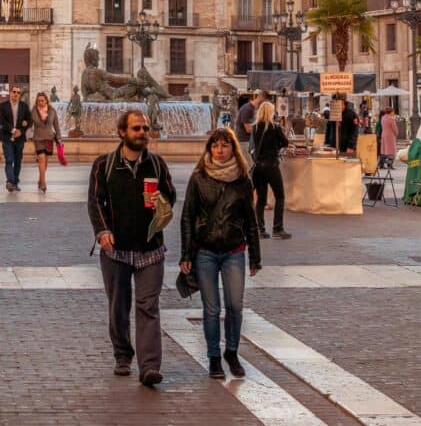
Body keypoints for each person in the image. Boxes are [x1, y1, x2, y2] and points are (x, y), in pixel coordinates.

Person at [87, 110, 176, 387]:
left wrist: (160, 198)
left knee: (148, 306)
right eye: (136, 128)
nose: (142, 133)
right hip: (116, 250)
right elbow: (94, 202)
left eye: (145, 128)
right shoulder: (105, 165)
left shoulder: (157, 165)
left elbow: (171, 197)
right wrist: (103, 231)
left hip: (150, 248)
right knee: (119, 305)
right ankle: (122, 354)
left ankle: (149, 366)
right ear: (122, 132)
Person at [180, 127, 261, 380]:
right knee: (211, 308)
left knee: (235, 306)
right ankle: (214, 357)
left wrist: (255, 257)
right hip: (205, 251)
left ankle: (232, 352)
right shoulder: (199, 177)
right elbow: (187, 217)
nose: (220, 150)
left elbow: (251, 219)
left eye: (225, 145)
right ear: (209, 148)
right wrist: (185, 254)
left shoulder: (243, 180)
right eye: (215, 145)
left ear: (233, 148)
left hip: (234, 250)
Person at [251, 102, 292, 240]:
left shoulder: (255, 127)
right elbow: (285, 143)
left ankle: (260, 229)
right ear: (270, 112)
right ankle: (277, 228)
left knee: (261, 199)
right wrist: (276, 146)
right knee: (279, 196)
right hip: (271, 166)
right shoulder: (275, 127)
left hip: (258, 168)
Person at [0, 86, 31, 192]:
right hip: (7, 137)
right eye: (14, 92)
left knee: (18, 161)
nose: (16, 94)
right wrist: (13, 130)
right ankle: (10, 182)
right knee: (9, 160)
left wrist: (21, 130)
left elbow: (29, 121)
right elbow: (2, 121)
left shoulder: (24, 106)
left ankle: (15, 183)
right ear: (10, 93)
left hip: (20, 138)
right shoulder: (3, 106)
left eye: (18, 92)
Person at [31, 91, 62, 192]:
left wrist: (59, 138)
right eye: (39, 100)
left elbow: (56, 125)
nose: (40, 102)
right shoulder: (34, 110)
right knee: (41, 159)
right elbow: (29, 123)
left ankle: (40, 179)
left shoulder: (52, 110)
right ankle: (43, 183)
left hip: (49, 138)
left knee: (46, 161)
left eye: (42, 100)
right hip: (38, 138)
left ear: (46, 101)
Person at [234, 90, 264, 157]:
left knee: (250, 164)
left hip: (247, 141)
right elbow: (248, 129)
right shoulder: (248, 109)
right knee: (248, 165)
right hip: (244, 141)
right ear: (261, 98)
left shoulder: (252, 108)